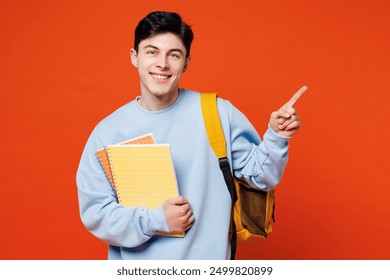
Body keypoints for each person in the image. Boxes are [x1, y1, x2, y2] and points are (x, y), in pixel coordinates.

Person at [76, 11, 306, 260]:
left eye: (173, 55)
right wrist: (156, 220)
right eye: (152, 52)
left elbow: (263, 177)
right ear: (135, 56)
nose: (162, 63)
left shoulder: (216, 113)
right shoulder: (108, 131)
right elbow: (96, 213)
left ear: (186, 62)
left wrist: (276, 136)